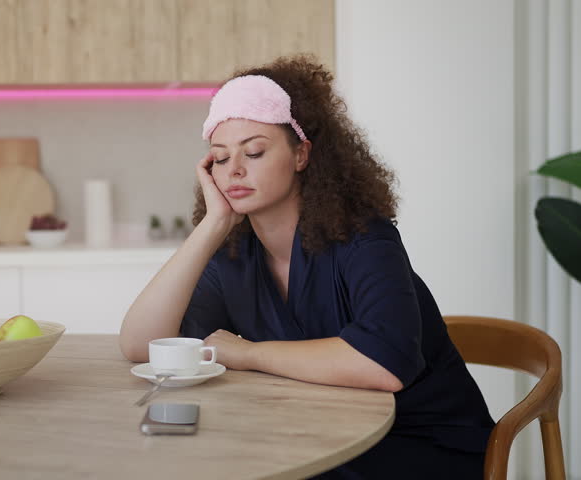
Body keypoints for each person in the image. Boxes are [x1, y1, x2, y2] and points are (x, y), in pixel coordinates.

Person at [118, 55, 495, 479]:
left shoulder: (364, 238)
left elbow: (384, 365)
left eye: (254, 151)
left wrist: (249, 353)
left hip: (416, 445)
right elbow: (141, 345)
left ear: (301, 154)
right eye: (220, 159)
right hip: (319, 433)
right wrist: (213, 224)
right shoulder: (235, 251)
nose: (235, 169)